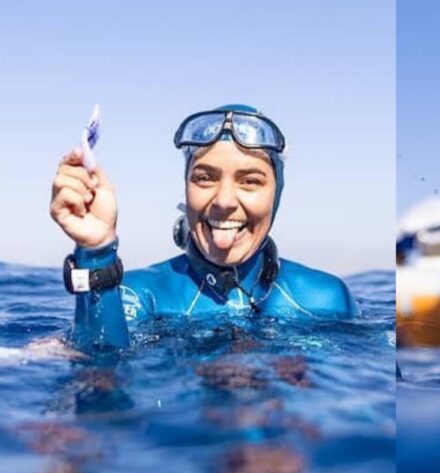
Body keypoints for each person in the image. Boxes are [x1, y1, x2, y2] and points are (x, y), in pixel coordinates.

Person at [50, 104, 357, 349]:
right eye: (205, 178)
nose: (223, 201)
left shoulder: (327, 298)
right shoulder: (138, 296)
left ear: (276, 195)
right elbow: (98, 385)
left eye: (250, 181)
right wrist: (95, 252)